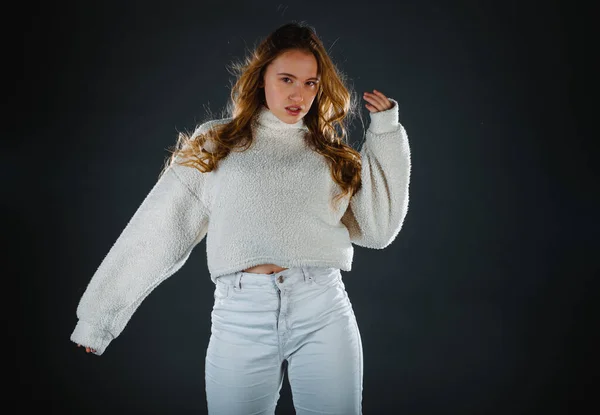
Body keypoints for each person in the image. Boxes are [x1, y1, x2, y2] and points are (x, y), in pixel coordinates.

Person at [71, 21, 411, 414]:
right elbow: (158, 230)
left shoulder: (328, 154)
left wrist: (385, 133)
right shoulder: (218, 142)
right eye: (287, 79)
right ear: (261, 77)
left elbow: (379, 230)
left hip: (321, 308)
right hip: (240, 317)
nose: (298, 94)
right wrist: (99, 318)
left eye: (310, 83)